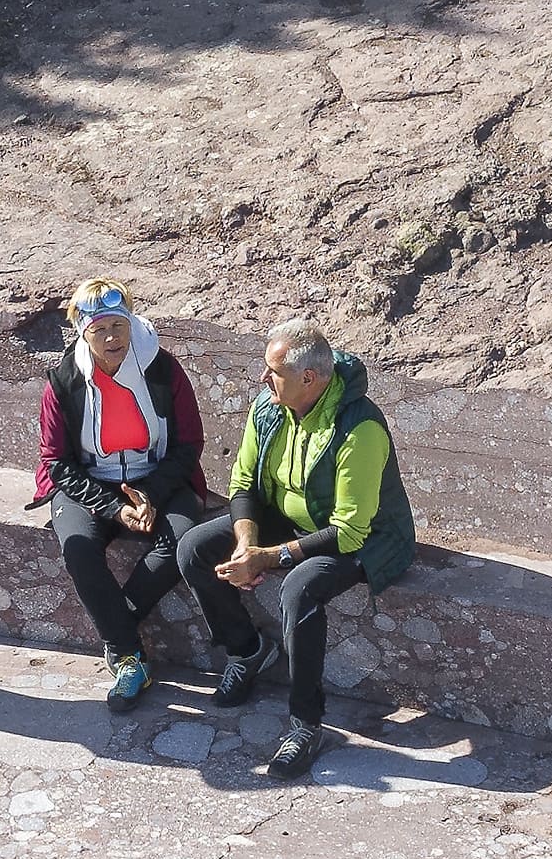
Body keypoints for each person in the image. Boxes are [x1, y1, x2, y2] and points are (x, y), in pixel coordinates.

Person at [174, 320, 419, 778]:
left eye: (273, 372)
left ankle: (306, 724)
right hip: (290, 515)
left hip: (365, 537)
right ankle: (247, 651)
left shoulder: (360, 429)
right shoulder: (269, 407)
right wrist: (248, 542)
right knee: (193, 549)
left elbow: (348, 531)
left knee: (300, 591)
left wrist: (269, 558)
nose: (264, 380)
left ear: (309, 378)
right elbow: (243, 482)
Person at [26, 283, 215, 711]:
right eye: (100, 330)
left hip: (160, 477)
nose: (112, 338)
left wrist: (148, 494)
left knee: (183, 542)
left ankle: (118, 623)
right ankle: (130, 657)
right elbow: (55, 460)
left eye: (119, 326)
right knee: (78, 549)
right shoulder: (64, 380)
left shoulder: (164, 370)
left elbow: (189, 443)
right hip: (89, 481)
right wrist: (113, 507)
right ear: (82, 333)